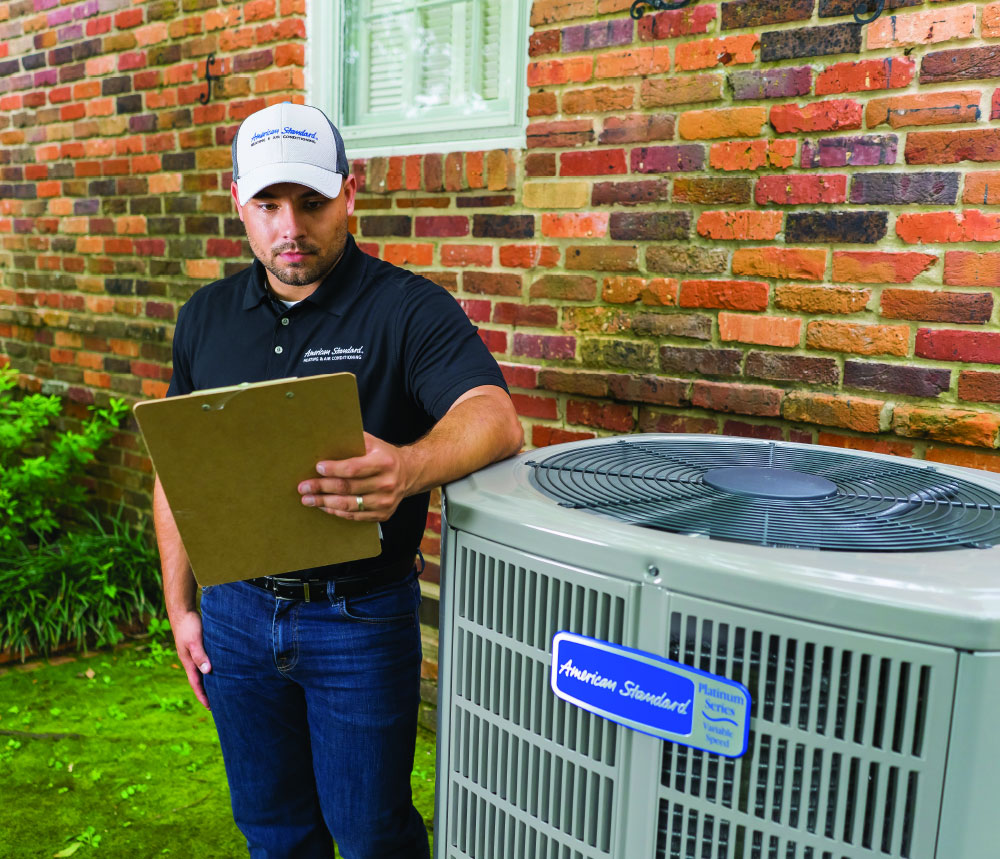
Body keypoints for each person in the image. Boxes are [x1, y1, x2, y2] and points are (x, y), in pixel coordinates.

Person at [152, 101, 523, 859]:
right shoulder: (206, 317)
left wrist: (409, 466)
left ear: (349, 193)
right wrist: (180, 606)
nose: (290, 227)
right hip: (235, 614)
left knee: (370, 835)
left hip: (358, 618)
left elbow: (494, 416)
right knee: (273, 831)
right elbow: (176, 470)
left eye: (312, 201)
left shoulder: (408, 309)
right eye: (268, 204)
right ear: (238, 202)